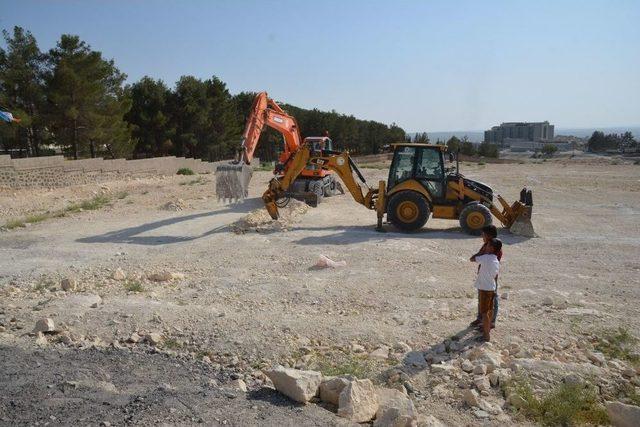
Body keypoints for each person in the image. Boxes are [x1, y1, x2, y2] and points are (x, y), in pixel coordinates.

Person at [469, 225, 502, 329]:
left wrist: (480, 256)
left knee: (492, 299)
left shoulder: (494, 248)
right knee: (481, 298)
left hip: (491, 278)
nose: (482, 236)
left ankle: (490, 322)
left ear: (489, 235)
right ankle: (481, 319)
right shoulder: (487, 245)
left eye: (483, 234)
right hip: (484, 277)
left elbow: (477, 258)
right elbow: (479, 255)